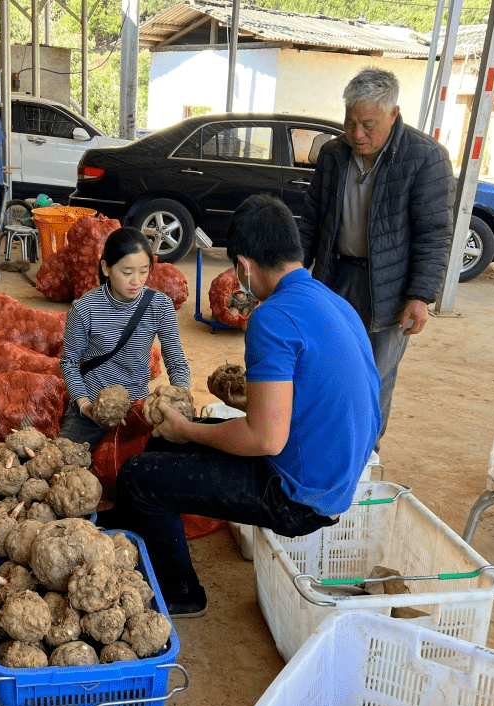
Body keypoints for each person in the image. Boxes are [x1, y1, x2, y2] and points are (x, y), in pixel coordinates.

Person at [100, 194, 380, 617]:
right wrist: (249, 399)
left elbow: (264, 437)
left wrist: (188, 430)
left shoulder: (272, 317)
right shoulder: (333, 301)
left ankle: (182, 594)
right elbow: (323, 390)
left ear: (244, 266)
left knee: (141, 475)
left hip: (298, 496)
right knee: (163, 448)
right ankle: (123, 540)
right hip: (337, 478)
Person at [298, 67, 455, 447]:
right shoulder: (334, 154)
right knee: (324, 364)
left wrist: (420, 296)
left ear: (393, 114)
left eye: (368, 124)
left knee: (375, 373)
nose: (356, 134)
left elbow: (434, 234)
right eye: (350, 122)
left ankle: (365, 452)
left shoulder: (425, 158)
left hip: (388, 287)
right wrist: (290, 274)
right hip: (335, 277)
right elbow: (312, 219)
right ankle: (322, 446)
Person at [59, 226, 191, 449]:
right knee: (64, 459)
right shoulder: (85, 308)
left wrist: (180, 400)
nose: (136, 281)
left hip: (139, 407)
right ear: (106, 268)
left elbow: (176, 362)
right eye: (127, 272)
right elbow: (69, 362)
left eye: (144, 271)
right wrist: (84, 406)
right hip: (93, 407)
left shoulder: (160, 306)